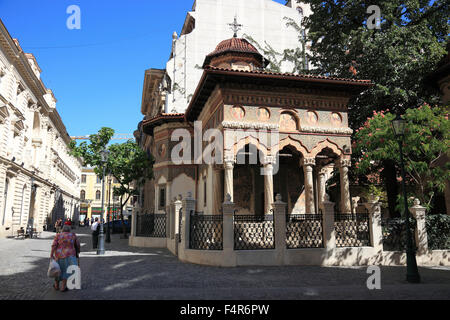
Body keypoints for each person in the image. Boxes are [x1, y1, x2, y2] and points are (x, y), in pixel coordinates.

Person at [50, 224, 80, 292]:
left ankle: (56, 285)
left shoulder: (58, 235)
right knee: (66, 271)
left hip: (59, 255)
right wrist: (78, 251)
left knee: (57, 270)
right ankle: (63, 287)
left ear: (62, 229)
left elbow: (54, 245)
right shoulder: (73, 235)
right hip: (70, 255)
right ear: (69, 229)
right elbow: (77, 244)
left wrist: (51, 254)